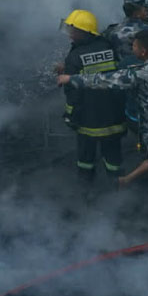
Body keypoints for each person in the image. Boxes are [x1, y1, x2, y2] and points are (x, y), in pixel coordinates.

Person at [58, 30, 148, 231]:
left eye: (135, 46)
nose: (132, 48)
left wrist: (71, 79)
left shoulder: (142, 74)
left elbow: (105, 80)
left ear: (143, 51)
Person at [59, 9, 126, 182]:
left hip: (88, 119)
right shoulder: (108, 46)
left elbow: (73, 92)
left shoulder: (74, 56)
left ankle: (85, 188)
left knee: (85, 158)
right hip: (114, 115)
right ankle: (117, 187)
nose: (70, 35)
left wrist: (70, 115)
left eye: (73, 31)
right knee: (113, 156)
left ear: (84, 33)